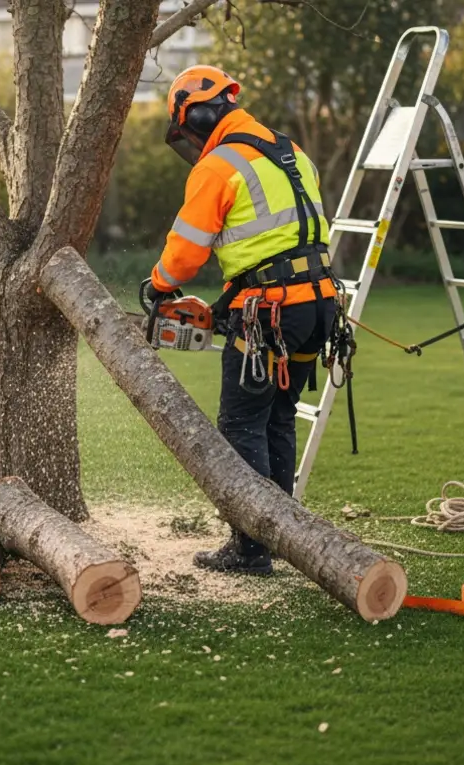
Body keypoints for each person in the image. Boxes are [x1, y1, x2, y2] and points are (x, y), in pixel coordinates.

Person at [145, 65, 340, 575]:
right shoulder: (290, 151)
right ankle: (287, 537)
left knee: (241, 422)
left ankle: (252, 547)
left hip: (271, 313)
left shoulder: (219, 166)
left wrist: (159, 285)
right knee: (277, 415)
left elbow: (185, 254)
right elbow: (283, 242)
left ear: (204, 113)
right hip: (316, 305)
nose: (191, 141)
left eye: (189, 129)